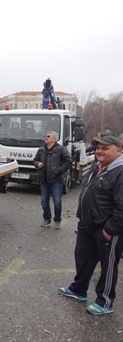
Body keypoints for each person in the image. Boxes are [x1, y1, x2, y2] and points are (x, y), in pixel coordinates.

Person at [58, 135, 123, 315]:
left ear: (119, 150)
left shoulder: (120, 170)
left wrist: (111, 229)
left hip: (107, 229)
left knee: (108, 266)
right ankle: (79, 289)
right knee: (83, 258)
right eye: (98, 148)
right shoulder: (99, 166)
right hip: (87, 225)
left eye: (105, 148)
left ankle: (105, 302)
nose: (99, 151)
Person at [33, 131, 72, 229]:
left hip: (56, 180)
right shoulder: (41, 149)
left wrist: (59, 171)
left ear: (54, 139)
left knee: (57, 201)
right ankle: (47, 219)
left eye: (48, 136)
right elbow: (34, 160)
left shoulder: (61, 149)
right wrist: (37, 164)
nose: (46, 137)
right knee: (44, 201)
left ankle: (57, 220)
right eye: (45, 136)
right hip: (44, 180)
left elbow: (68, 161)